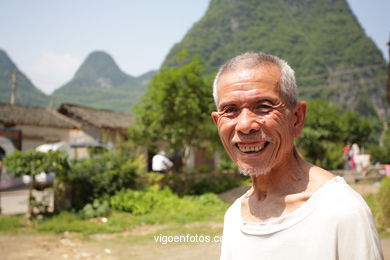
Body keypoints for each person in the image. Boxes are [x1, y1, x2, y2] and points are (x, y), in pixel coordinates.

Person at [211, 53, 383, 260]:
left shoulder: (341, 211)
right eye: (230, 110)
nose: (245, 125)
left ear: (296, 118)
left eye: (264, 107)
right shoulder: (235, 216)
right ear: (217, 123)